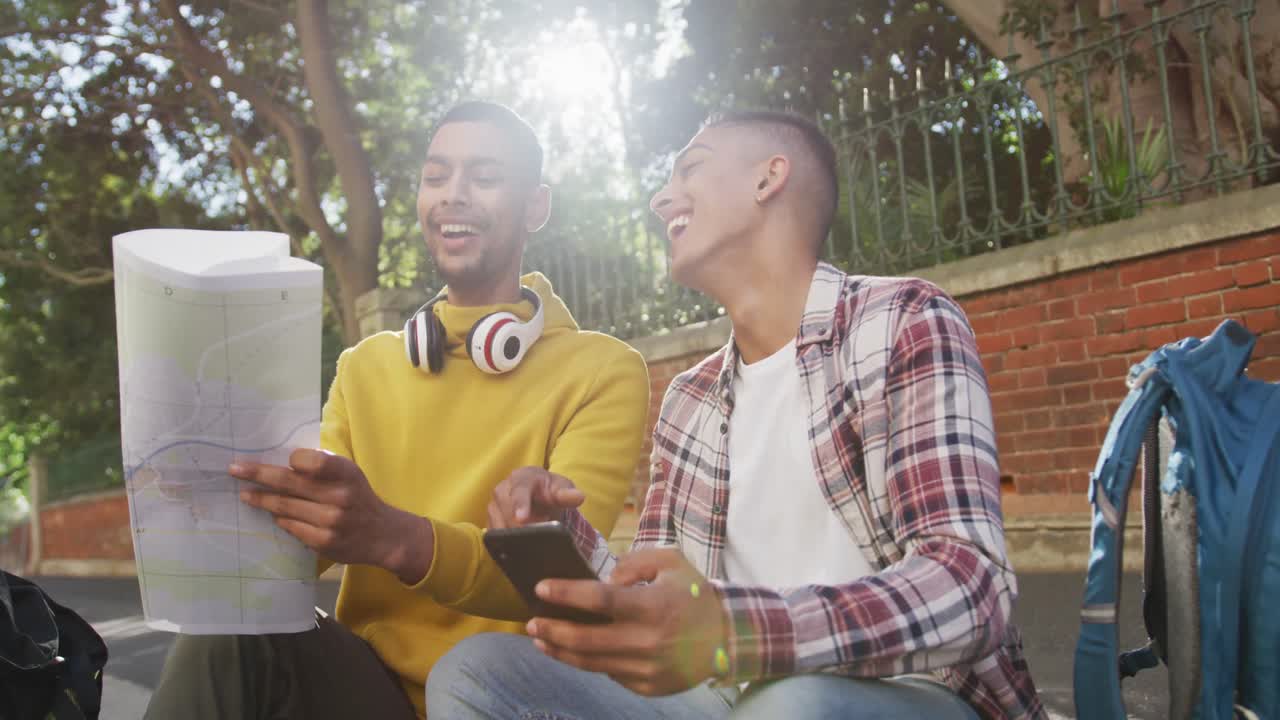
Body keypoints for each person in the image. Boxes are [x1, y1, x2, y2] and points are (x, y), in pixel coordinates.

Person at [427, 110, 1045, 719]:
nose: (661, 199)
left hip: (917, 693)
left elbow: (972, 586)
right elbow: (652, 595)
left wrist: (736, 631)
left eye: (689, 169)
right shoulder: (689, 400)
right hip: (726, 696)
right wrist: (562, 533)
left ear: (767, 178)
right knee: (475, 671)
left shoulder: (901, 321)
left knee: (793, 703)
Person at [144, 101, 650, 720]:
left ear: (535, 207)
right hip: (365, 689)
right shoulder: (365, 367)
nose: (453, 194)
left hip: (505, 698)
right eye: (436, 176)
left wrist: (392, 536)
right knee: (231, 631)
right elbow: (304, 546)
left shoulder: (603, 370)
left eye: (485, 177)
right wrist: (226, 499)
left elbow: (558, 584)